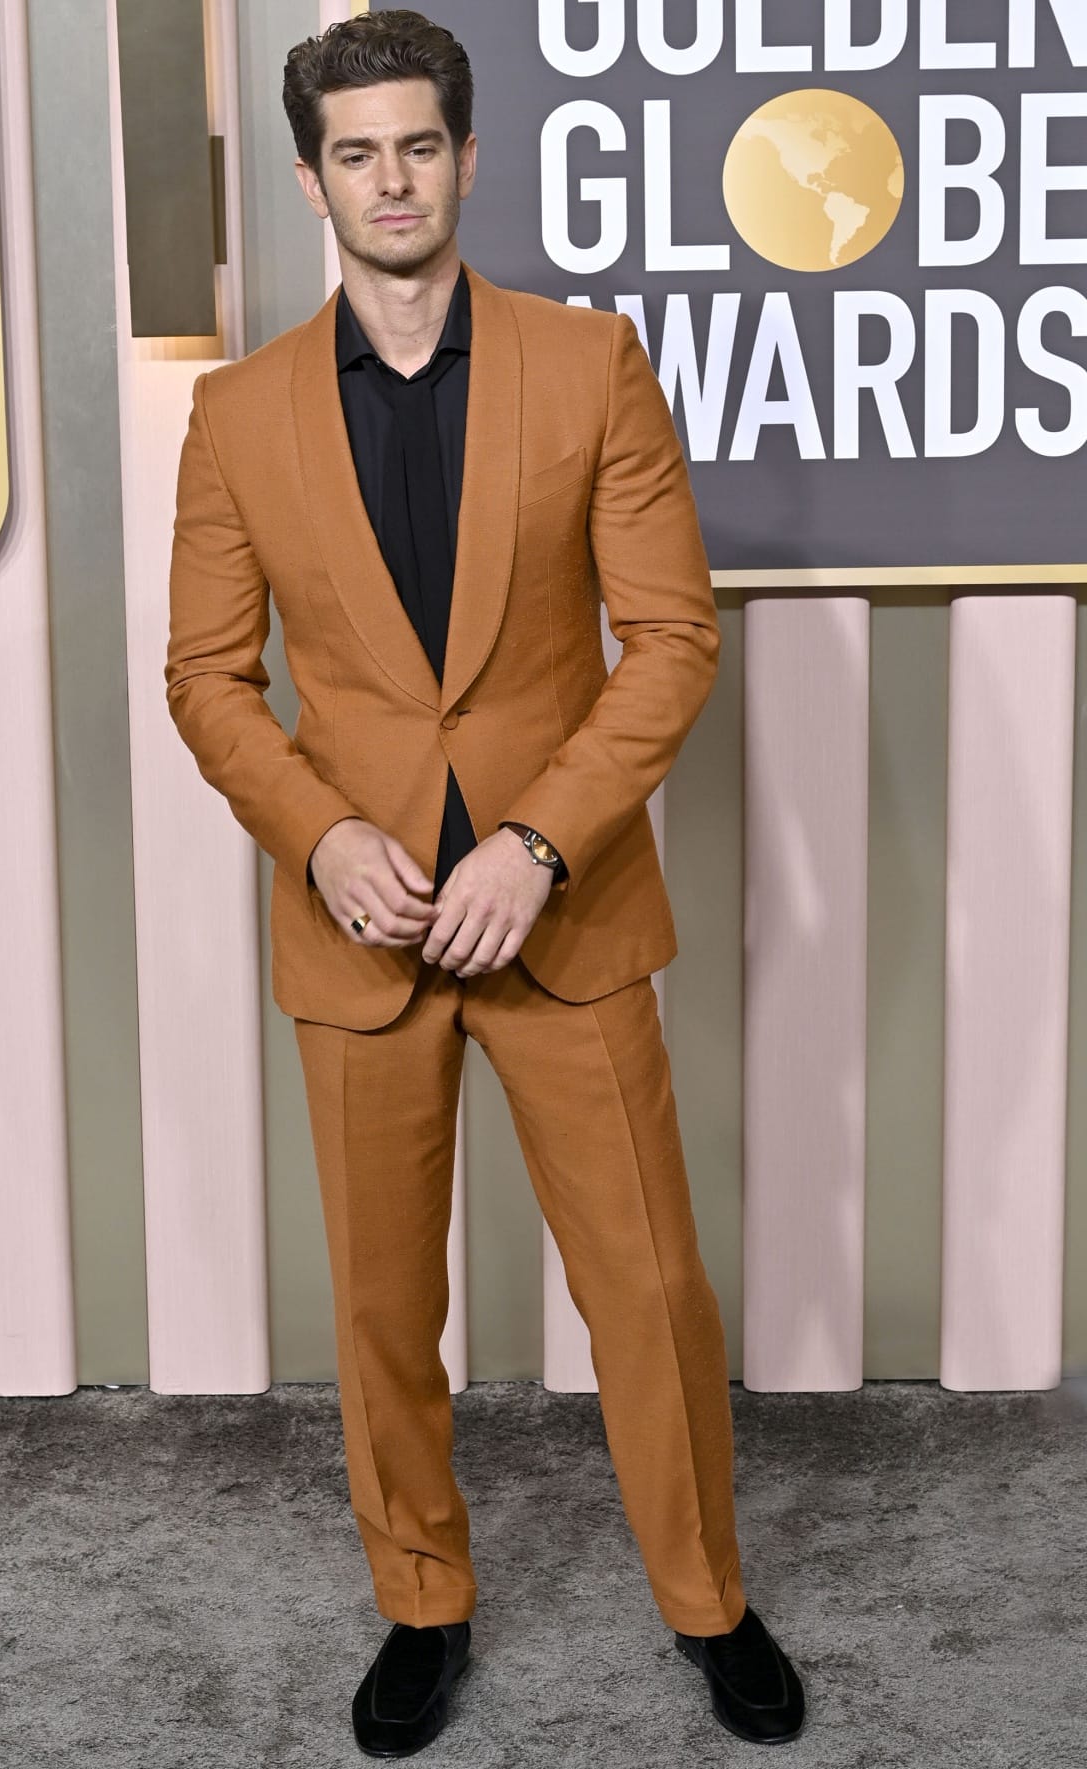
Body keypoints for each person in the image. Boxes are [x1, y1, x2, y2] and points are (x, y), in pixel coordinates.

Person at [165, 9, 806, 1756]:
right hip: (358, 925)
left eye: (420, 144)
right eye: (357, 152)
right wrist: (323, 833)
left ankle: (709, 1600)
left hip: (565, 912)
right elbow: (209, 679)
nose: (393, 177)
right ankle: (421, 1601)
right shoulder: (235, 415)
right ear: (313, 180)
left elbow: (669, 641)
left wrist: (537, 841)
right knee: (382, 1302)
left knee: (650, 1290)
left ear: (465, 154)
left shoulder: (590, 364)